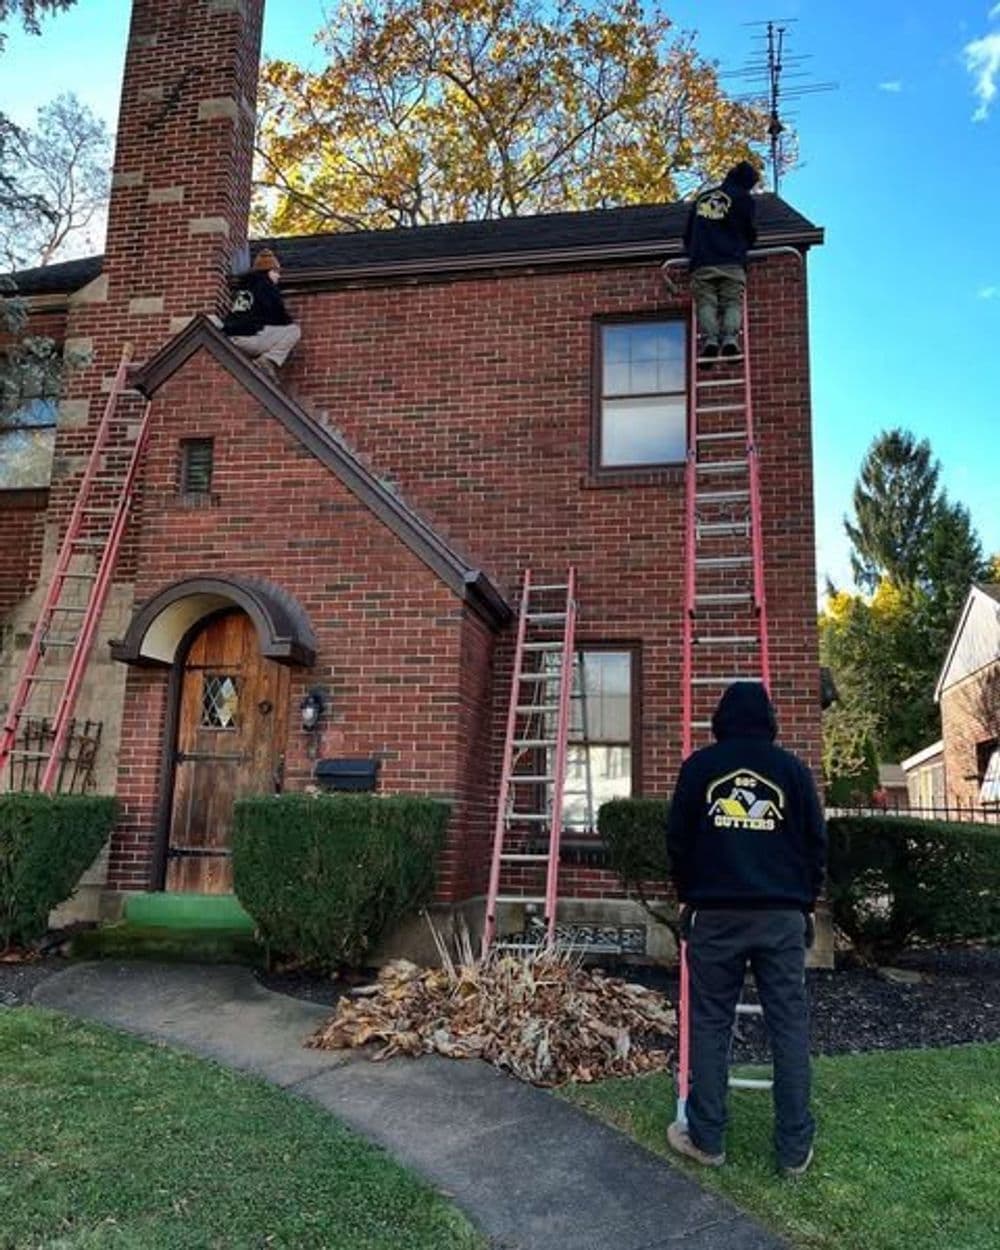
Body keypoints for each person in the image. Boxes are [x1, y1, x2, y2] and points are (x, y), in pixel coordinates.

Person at [665, 681, 826, 1178]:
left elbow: (677, 840)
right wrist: (806, 902)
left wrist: (690, 893)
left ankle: (707, 1138)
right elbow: (816, 844)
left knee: (711, 1023)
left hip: (714, 918)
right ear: (770, 722)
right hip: (781, 919)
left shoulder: (700, 769)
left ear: (720, 721)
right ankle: (794, 1148)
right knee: (789, 1027)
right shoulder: (792, 772)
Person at [683, 161, 760, 359]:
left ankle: (710, 339)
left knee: (706, 303)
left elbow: (687, 235)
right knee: (732, 302)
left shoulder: (703, 198)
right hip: (731, 261)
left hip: (702, 261)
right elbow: (749, 231)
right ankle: (729, 340)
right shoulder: (743, 198)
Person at [222, 248, 301, 382]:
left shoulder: (244, 287)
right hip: (249, 339)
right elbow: (279, 316)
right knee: (294, 330)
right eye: (276, 272)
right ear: (268, 272)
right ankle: (268, 361)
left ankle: (258, 361)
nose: (279, 276)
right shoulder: (266, 286)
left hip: (230, 338)